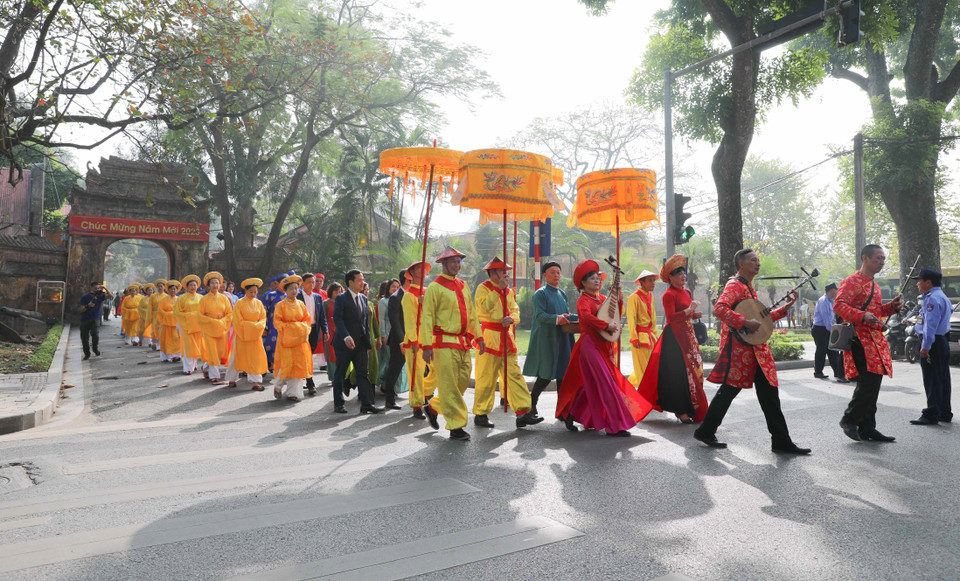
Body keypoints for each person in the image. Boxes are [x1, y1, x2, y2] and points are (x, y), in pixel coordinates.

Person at [694, 248, 811, 454]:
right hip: (740, 351)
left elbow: (761, 319)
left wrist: (784, 308)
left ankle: (781, 440)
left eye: (758, 260)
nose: (757, 263)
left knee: (768, 395)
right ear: (741, 264)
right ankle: (706, 431)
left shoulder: (748, 287)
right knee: (730, 391)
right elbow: (720, 309)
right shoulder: (735, 285)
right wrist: (745, 322)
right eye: (753, 260)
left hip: (755, 350)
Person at [555, 259, 654, 436]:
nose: (597, 281)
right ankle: (614, 426)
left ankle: (572, 412)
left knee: (592, 384)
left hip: (603, 345)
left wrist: (619, 300)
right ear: (583, 283)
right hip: (589, 346)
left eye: (598, 278)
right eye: (592, 278)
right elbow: (586, 317)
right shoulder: (583, 300)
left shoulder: (602, 299)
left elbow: (614, 314)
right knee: (606, 383)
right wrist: (605, 326)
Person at [834, 244, 903, 442]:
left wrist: (891, 308)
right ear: (865, 258)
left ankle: (867, 427)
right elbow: (839, 306)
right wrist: (862, 316)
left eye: (883, 259)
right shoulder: (851, 281)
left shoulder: (875, 285)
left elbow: (876, 312)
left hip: (875, 340)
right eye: (878, 258)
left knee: (874, 383)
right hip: (858, 338)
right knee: (868, 382)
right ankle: (849, 419)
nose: (882, 262)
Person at [420, 247, 484, 440]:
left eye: (458, 261)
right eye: (453, 262)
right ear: (444, 264)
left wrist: (479, 337)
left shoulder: (463, 285)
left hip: (463, 343)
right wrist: (426, 346)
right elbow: (427, 317)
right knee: (449, 386)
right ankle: (456, 427)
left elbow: (472, 314)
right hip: (443, 343)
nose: (457, 265)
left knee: (462, 383)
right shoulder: (435, 287)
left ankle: (433, 407)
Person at [473, 257, 544, 429]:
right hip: (490, 338)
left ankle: (522, 412)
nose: (506, 275)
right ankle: (481, 413)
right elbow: (483, 308)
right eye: (502, 271)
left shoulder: (509, 292)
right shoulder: (483, 288)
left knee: (515, 375)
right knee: (486, 377)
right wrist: (498, 289)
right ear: (492, 273)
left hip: (507, 338)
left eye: (507, 272)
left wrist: (511, 318)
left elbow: (515, 310)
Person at [638, 255, 707, 423]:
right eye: (679, 274)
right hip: (674, 338)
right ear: (670, 277)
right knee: (678, 374)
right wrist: (689, 310)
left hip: (688, 335)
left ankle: (693, 406)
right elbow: (671, 317)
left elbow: (687, 314)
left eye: (684, 273)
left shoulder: (686, 292)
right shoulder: (668, 294)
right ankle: (681, 410)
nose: (683, 276)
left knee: (694, 371)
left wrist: (694, 314)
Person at [523, 261, 575, 417]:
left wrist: (582, 317)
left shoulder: (562, 294)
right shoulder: (540, 294)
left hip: (563, 338)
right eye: (552, 272)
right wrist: (557, 318)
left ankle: (562, 411)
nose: (556, 275)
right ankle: (532, 404)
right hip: (547, 338)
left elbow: (566, 314)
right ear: (545, 275)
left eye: (558, 272)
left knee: (563, 375)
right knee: (545, 375)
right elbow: (540, 315)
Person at [332, 269, 383, 414]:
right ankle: (339, 403)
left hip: (361, 344)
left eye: (363, 279)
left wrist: (368, 343)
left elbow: (365, 324)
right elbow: (338, 319)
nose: (362, 282)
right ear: (350, 282)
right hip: (344, 344)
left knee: (363, 373)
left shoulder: (363, 299)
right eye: (359, 280)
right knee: (340, 373)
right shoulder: (341, 298)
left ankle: (367, 404)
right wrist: (346, 337)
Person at [910, 268, 953, 425]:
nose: (918, 284)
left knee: (932, 378)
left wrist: (926, 346)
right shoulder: (941, 296)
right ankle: (944, 411)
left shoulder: (932, 299)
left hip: (933, 343)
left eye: (919, 281)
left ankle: (931, 414)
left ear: (928, 283)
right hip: (941, 341)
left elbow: (930, 325)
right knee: (942, 378)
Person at [401, 261, 437, 419]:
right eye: (419, 269)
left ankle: (426, 392)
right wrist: (414, 341)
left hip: (430, 337)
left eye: (424, 269)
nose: (422, 271)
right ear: (412, 272)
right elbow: (409, 321)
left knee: (437, 369)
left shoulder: (428, 291)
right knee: (416, 374)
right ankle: (417, 405)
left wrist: (426, 303)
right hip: (415, 339)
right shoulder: (408, 295)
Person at [273, 274, 312, 401]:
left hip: (299, 341)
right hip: (286, 341)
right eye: (291, 289)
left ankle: (292, 393)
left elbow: (307, 320)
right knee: (287, 365)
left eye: (296, 288)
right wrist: (293, 328)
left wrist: (301, 329)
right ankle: (278, 385)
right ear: (285, 291)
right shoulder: (280, 305)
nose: (294, 291)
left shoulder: (301, 304)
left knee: (298, 365)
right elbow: (277, 322)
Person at [225, 278, 268, 391]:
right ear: (245, 291)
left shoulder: (259, 303)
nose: (253, 294)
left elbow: (263, 319)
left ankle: (255, 382)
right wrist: (252, 327)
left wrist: (256, 328)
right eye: (251, 292)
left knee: (255, 358)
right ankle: (231, 379)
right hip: (241, 335)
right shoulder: (239, 303)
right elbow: (237, 320)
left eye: (255, 292)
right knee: (236, 357)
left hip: (255, 336)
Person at [198, 272, 232, 384]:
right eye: (212, 283)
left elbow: (229, 313)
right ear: (208, 285)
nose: (215, 285)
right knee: (212, 351)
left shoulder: (224, 298)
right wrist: (211, 321)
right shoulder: (204, 299)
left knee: (219, 352)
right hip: (209, 329)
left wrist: (222, 321)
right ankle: (214, 376)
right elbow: (200, 315)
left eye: (217, 283)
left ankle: (206, 367)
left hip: (221, 328)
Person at [627, 269, 659, 387]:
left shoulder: (650, 296)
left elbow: (653, 317)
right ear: (642, 282)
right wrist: (634, 338)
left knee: (649, 368)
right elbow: (631, 318)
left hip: (650, 337)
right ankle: (645, 393)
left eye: (653, 280)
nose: (653, 283)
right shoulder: (634, 297)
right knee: (644, 370)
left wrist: (654, 335)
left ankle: (626, 387)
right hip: (640, 339)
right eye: (650, 280)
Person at [297, 273, 328, 395]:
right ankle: (310, 382)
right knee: (306, 356)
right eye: (309, 282)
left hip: (314, 330)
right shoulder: (298, 296)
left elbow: (322, 316)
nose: (312, 284)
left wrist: (325, 330)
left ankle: (304, 377)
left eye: (313, 282)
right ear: (303, 283)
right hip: (301, 331)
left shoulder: (318, 297)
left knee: (309, 355)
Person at [381, 270, 410, 402]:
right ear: (407, 279)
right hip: (399, 340)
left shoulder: (412, 295)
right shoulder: (396, 297)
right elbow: (395, 322)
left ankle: (424, 397)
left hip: (413, 338)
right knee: (394, 370)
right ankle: (389, 399)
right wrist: (402, 341)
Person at [811, 283, 846, 383]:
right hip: (820, 329)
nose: (837, 293)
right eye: (835, 291)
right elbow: (826, 318)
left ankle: (838, 373)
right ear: (831, 291)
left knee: (832, 351)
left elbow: (831, 318)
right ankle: (818, 372)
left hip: (826, 329)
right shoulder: (824, 301)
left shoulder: (830, 301)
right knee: (821, 351)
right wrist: (832, 332)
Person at [174, 275, 205, 375]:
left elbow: (204, 311)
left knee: (197, 344)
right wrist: (190, 316)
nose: (193, 287)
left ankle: (194, 363)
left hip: (198, 325)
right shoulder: (181, 298)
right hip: (186, 325)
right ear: (187, 287)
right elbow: (177, 312)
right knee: (188, 346)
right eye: (191, 285)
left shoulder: (201, 298)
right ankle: (187, 368)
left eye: (194, 285)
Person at [79, 281, 112, 360]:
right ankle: (87, 354)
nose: (96, 290)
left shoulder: (100, 296)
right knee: (84, 337)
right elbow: (81, 310)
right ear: (91, 288)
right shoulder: (85, 297)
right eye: (95, 288)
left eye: (98, 288)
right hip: (85, 319)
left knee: (95, 334)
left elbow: (110, 296)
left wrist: (104, 288)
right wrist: (88, 306)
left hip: (95, 318)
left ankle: (95, 349)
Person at [156, 280, 182, 363]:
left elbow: (182, 310)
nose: (173, 290)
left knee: (176, 339)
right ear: (168, 290)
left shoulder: (180, 300)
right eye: (171, 289)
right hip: (166, 323)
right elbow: (160, 311)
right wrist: (169, 314)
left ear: (177, 290)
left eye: (174, 289)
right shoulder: (163, 300)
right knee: (166, 340)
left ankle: (176, 355)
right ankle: (166, 356)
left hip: (176, 323)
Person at [322, 283, 343, 385]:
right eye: (336, 292)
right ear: (331, 292)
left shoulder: (343, 302)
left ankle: (342, 376)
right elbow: (323, 318)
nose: (338, 294)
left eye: (340, 291)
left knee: (341, 354)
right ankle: (333, 377)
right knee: (331, 354)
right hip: (329, 331)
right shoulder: (325, 303)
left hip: (341, 330)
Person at [148, 279, 165, 350]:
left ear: (164, 287)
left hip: (163, 316)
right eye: (159, 286)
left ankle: (159, 345)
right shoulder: (153, 296)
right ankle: (154, 342)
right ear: (157, 287)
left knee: (161, 330)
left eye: (161, 286)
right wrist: (149, 316)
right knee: (155, 330)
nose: (160, 288)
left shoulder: (166, 296)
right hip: (155, 315)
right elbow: (150, 307)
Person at [137, 283, 156, 347]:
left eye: (151, 290)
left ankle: (150, 342)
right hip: (144, 317)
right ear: (146, 291)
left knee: (150, 329)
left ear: (153, 291)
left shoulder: (155, 298)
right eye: (148, 290)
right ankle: (140, 340)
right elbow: (140, 307)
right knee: (142, 330)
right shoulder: (143, 299)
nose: (150, 291)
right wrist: (146, 312)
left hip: (152, 317)